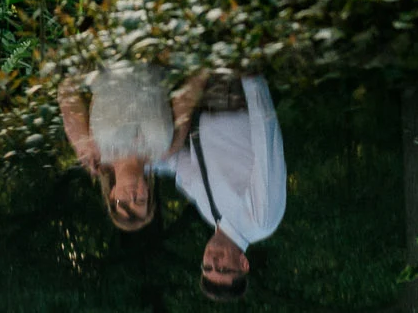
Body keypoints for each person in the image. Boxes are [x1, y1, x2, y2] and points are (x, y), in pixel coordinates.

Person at [165, 71, 287, 301]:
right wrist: (252, 80)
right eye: (222, 268)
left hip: (193, 100)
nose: (213, 261)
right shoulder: (261, 222)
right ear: (243, 264)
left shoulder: (210, 216)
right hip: (232, 92)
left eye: (207, 267)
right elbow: (266, 143)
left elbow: (176, 164)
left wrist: (125, 164)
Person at [56, 60, 178, 231]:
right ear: (148, 192)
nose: (132, 195)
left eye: (124, 202)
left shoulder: (93, 151)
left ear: (112, 195)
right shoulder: (163, 150)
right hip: (155, 53)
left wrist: (80, 64)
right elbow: (183, 99)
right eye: (140, 200)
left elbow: (67, 93)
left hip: (104, 55)